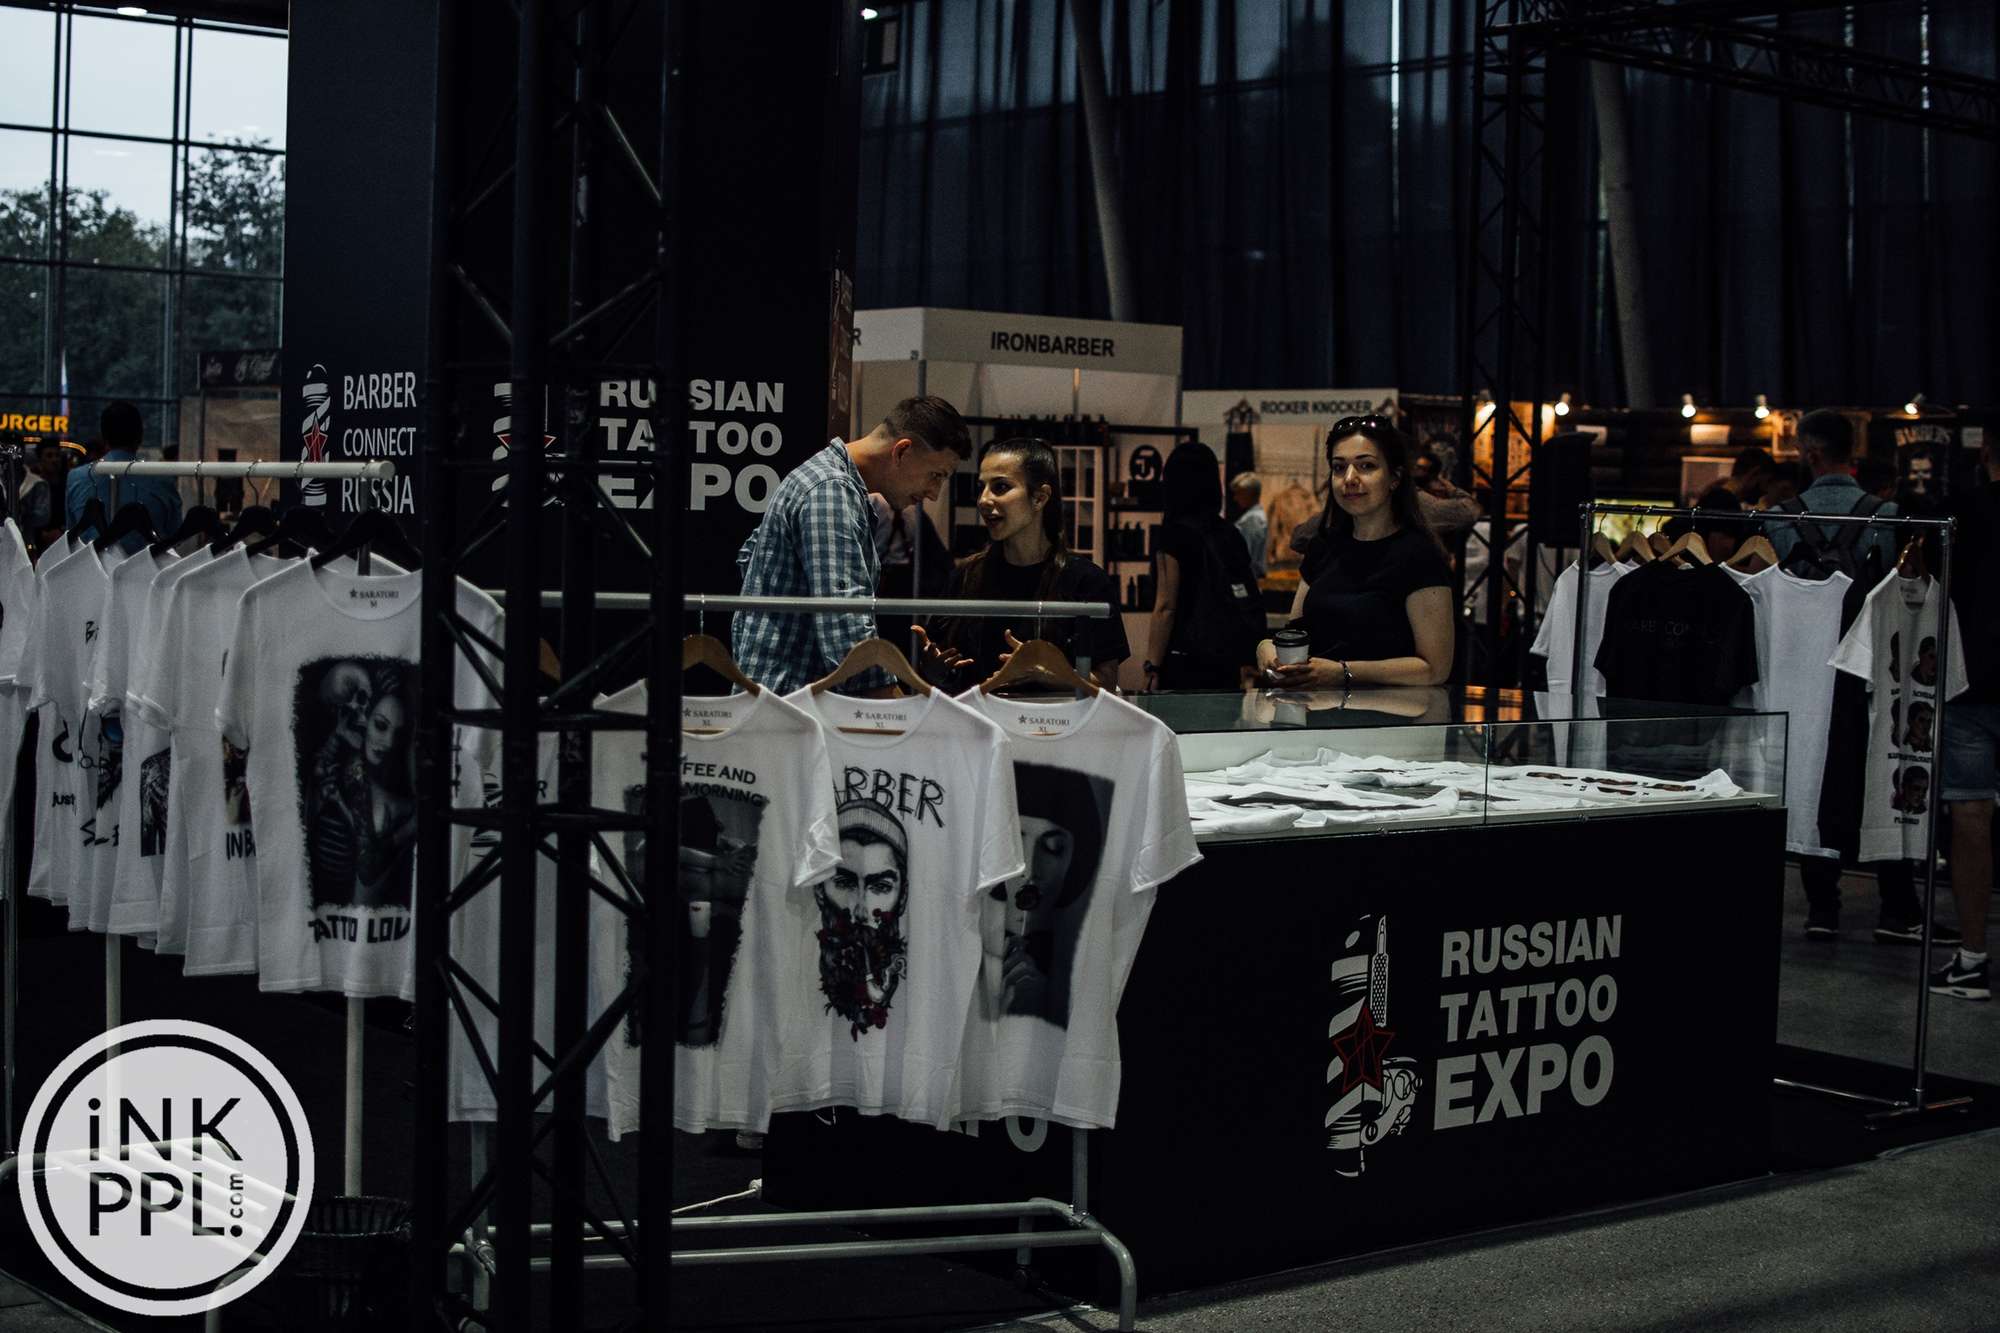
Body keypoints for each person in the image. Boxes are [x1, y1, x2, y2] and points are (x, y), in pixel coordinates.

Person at [732, 396, 970, 695]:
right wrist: (896, 709)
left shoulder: (824, 478)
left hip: (784, 695)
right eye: (936, 475)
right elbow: (846, 628)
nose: (934, 493)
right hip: (790, 702)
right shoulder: (831, 490)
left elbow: (749, 557)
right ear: (902, 451)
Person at [1255, 416, 1454, 689]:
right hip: (1316, 709)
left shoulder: (1419, 555)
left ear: (1394, 478)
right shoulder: (1323, 547)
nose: (1349, 478)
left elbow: (1435, 668)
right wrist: (1266, 648)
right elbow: (1295, 632)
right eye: (1339, 468)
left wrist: (1344, 673)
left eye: (1366, 466)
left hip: (1387, 713)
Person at [913, 437, 1127, 688]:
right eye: (981, 487)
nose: (983, 500)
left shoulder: (1085, 581)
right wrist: (934, 670)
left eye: (1000, 487)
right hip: (978, 714)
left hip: (1052, 715)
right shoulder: (966, 575)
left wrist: (1048, 673)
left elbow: (1106, 681)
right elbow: (941, 669)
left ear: (1039, 498)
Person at [1932, 437, 1999, 1001]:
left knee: (1970, 818)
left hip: (1969, 681)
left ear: (1985, 457)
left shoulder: (1958, 512)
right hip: (1971, 688)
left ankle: (1972, 958)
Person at [1143, 440, 1258, 692]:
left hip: (1184, 657)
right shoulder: (1230, 533)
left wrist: (1152, 666)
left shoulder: (1174, 535)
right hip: (1225, 659)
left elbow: (1166, 607)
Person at [1767, 409, 1897, 571]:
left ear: (1811, 456)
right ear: (1850, 449)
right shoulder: (1890, 514)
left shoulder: (1778, 517)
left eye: (1799, 450)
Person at [66, 401, 182, 552]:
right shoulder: (162, 480)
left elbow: (72, 533)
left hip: (89, 564)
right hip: (146, 565)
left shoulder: (76, 478)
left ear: (103, 436)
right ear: (140, 435)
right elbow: (175, 536)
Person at [1230, 471, 1267, 579]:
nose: (1235, 498)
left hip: (1245, 579)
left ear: (1248, 493)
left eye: (1238, 493)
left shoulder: (1251, 520)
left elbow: (1246, 557)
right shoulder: (1257, 516)